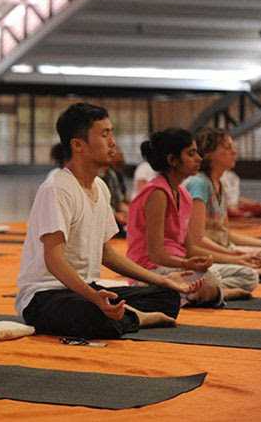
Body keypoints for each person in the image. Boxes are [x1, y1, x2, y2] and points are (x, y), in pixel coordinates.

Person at [16, 103, 197, 340]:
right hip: (46, 295)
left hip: (87, 288)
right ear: (78, 145)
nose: (113, 142)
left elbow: (106, 254)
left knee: (166, 296)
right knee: (96, 315)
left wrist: (163, 279)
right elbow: (54, 260)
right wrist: (94, 297)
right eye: (104, 134)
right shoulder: (57, 189)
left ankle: (126, 314)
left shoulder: (100, 187)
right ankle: (135, 316)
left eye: (112, 133)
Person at [127, 128, 255, 304]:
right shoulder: (157, 193)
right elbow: (156, 255)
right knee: (210, 278)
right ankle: (208, 292)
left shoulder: (183, 193)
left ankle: (201, 293)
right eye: (191, 153)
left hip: (179, 265)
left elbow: (191, 247)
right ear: (172, 160)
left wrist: (202, 260)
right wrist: (187, 264)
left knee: (247, 275)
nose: (199, 159)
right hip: (151, 270)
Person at [184, 128, 261, 279]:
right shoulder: (198, 183)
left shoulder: (219, 184)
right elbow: (197, 240)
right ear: (208, 154)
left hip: (223, 248)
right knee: (249, 276)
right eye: (227, 147)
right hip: (205, 254)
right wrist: (236, 256)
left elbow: (227, 234)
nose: (234, 152)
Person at [102, 148, 129, 237]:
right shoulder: (96, 177)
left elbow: (119, 202)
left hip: (114, 217)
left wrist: (131, 212)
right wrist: (115, 214)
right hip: (104, 220)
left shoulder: (112, 174)